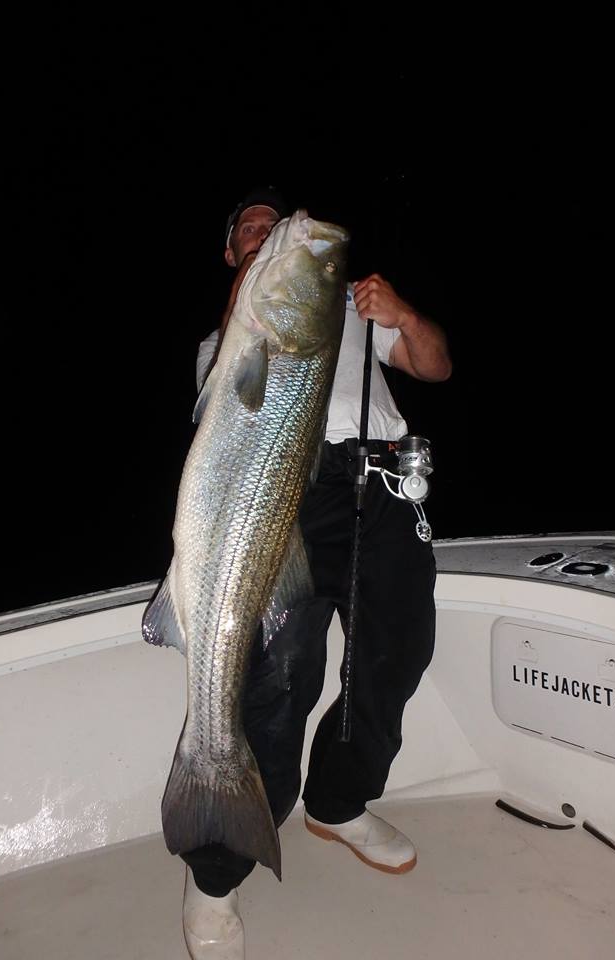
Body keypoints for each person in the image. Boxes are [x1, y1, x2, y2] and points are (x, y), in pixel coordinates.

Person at [181, 186, 452, 959]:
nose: (270, 233)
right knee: (279, 685)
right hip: (283, 503)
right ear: (235, 259)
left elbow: (437, 365)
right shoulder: (222, 347)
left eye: (277, 227)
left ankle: (337, 803)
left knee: (392, 658)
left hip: (382, 492)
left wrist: (400, 314)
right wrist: (263, 283)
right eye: (252, 233)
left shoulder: (357, 318)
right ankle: (215, 878)